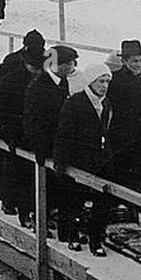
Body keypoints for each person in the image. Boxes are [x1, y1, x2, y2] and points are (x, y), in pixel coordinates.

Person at [53, 63, 115, 255]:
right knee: (75, 200)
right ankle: (73, 236)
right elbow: (65, 133)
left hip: (100, 161)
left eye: (107, 81)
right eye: (100, 81)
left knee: (102, 202)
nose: (104, 86)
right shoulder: (76, 102)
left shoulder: (106, 103)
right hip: (79, 160)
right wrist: (61, 162)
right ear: (91, 81)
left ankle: (96, 239)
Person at [0, 43, 45, 223]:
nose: (36, 70)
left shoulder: (42, 79)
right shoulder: (11, 80)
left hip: (31, 135)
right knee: (16, 175)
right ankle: (21, 210)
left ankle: (32, 210)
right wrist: (13, 135)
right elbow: (3, 111)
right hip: (15, 136)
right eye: (33, 66)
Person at [21, 45, 78, 231]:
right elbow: (32, 121)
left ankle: (49, 217)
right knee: (41, 186)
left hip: (57, 146)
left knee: (55, 186)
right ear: (58, 65)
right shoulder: (38, 86)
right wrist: (41, 148)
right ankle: (39, 221)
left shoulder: (61, 82)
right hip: (45, 148)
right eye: (70, 63)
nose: (73, 66)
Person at [106, 39, 141, 219]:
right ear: (124, 61)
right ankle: (129, 208)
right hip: (121, 134)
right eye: (134, 61)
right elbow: (107, 107)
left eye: (140, 60)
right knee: (125, 172)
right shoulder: (114, 80)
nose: (138, 65)